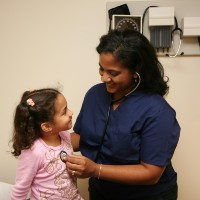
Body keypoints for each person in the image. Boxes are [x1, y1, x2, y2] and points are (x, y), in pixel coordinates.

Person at [66, 29, 181, 200]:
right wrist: (43, 140)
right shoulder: (95, 94)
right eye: (101, 69)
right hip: (101, 191)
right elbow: (84, 137)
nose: (104, 78)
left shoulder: (158, 111)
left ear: (136, 72)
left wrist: (95, 169)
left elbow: (151, 173)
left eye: (113, 73)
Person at [10, 88, 83, 200]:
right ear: (47, 126)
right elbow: (20, 190)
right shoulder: (34, 152)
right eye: (64, 112)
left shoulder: (65, 135)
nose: (71, 112)